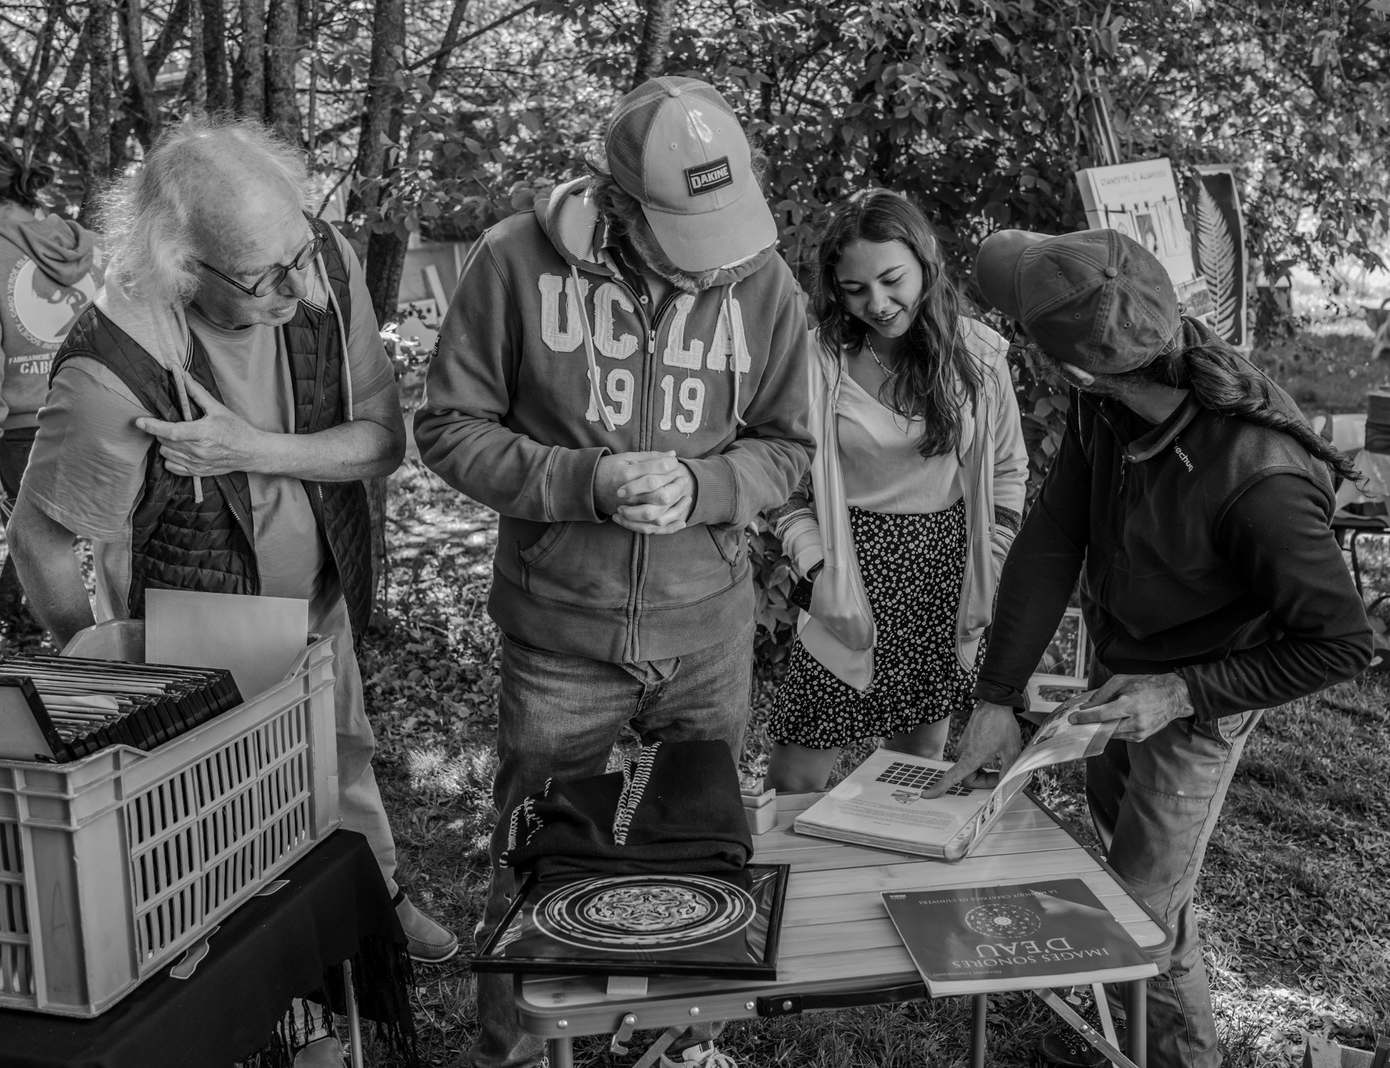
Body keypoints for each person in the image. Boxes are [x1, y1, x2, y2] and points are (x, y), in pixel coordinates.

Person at [415, 75, 814, 1068]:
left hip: (707, 625)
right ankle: (518, 1044)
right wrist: (584, 482)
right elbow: (448, 428)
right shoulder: (512, 262)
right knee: (534, 855)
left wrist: (710, 487)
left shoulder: (760, 279)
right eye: (684, 226)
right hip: (562, 630)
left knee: (710, 852)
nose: (708, 256)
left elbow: (791, 443)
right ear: (622, 200)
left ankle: (682, 1043)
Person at [4, 115, 456, 963]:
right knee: (230, 819)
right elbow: (37, 538)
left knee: (343, 750)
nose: (293, 293)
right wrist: (103, 657)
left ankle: (376, 897)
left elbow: (383, 444)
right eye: (262, 279)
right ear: (180, 262)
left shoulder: (316, 259)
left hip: (318, 594)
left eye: (299, 259)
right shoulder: (112, 366)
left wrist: (250, 449)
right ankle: (283, 975)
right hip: (194, 633)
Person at [926, 228, 1372, 1068]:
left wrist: (1178, 696)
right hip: (1122, 667)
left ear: (1080, 369)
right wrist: (995, 698)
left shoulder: (1260, 483)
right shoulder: (1112, 395)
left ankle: (1178, 1054)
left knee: (1137, 915)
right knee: (1134, 887)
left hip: (1206, 692)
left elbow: (1341, 644)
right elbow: (1053, 538)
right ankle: (1132, 1033)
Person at [763, 189, 1027, 792]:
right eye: (855, 290)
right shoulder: (816, 362)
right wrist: (814, 573)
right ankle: (789, 884)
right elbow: (784, 481)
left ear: (925, 259)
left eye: (891, 280)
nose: (877, 304)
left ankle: (882, 881)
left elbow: (1009, 468)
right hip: (848, 568)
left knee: (912, 774)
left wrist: (992, 554)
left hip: (944, 574)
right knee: (797, 777)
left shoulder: (980, 356)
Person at [0, 138, 102, 523]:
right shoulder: (97, 249)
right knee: (119, 549)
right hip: (111, 418)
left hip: (26, 434)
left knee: (44, 554)